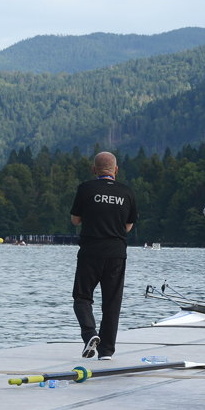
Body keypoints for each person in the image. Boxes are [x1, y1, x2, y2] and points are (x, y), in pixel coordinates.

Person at [71, 151, 138, 361]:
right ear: (116, 170)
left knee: (82, 297)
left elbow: (75, 220)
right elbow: (128, 225)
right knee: (112, 302)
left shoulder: (86, 189)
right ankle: (107, 351)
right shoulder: (127, 192)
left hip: (91, 251)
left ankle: (90, 334)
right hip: (116, 253)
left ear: (94, 170)